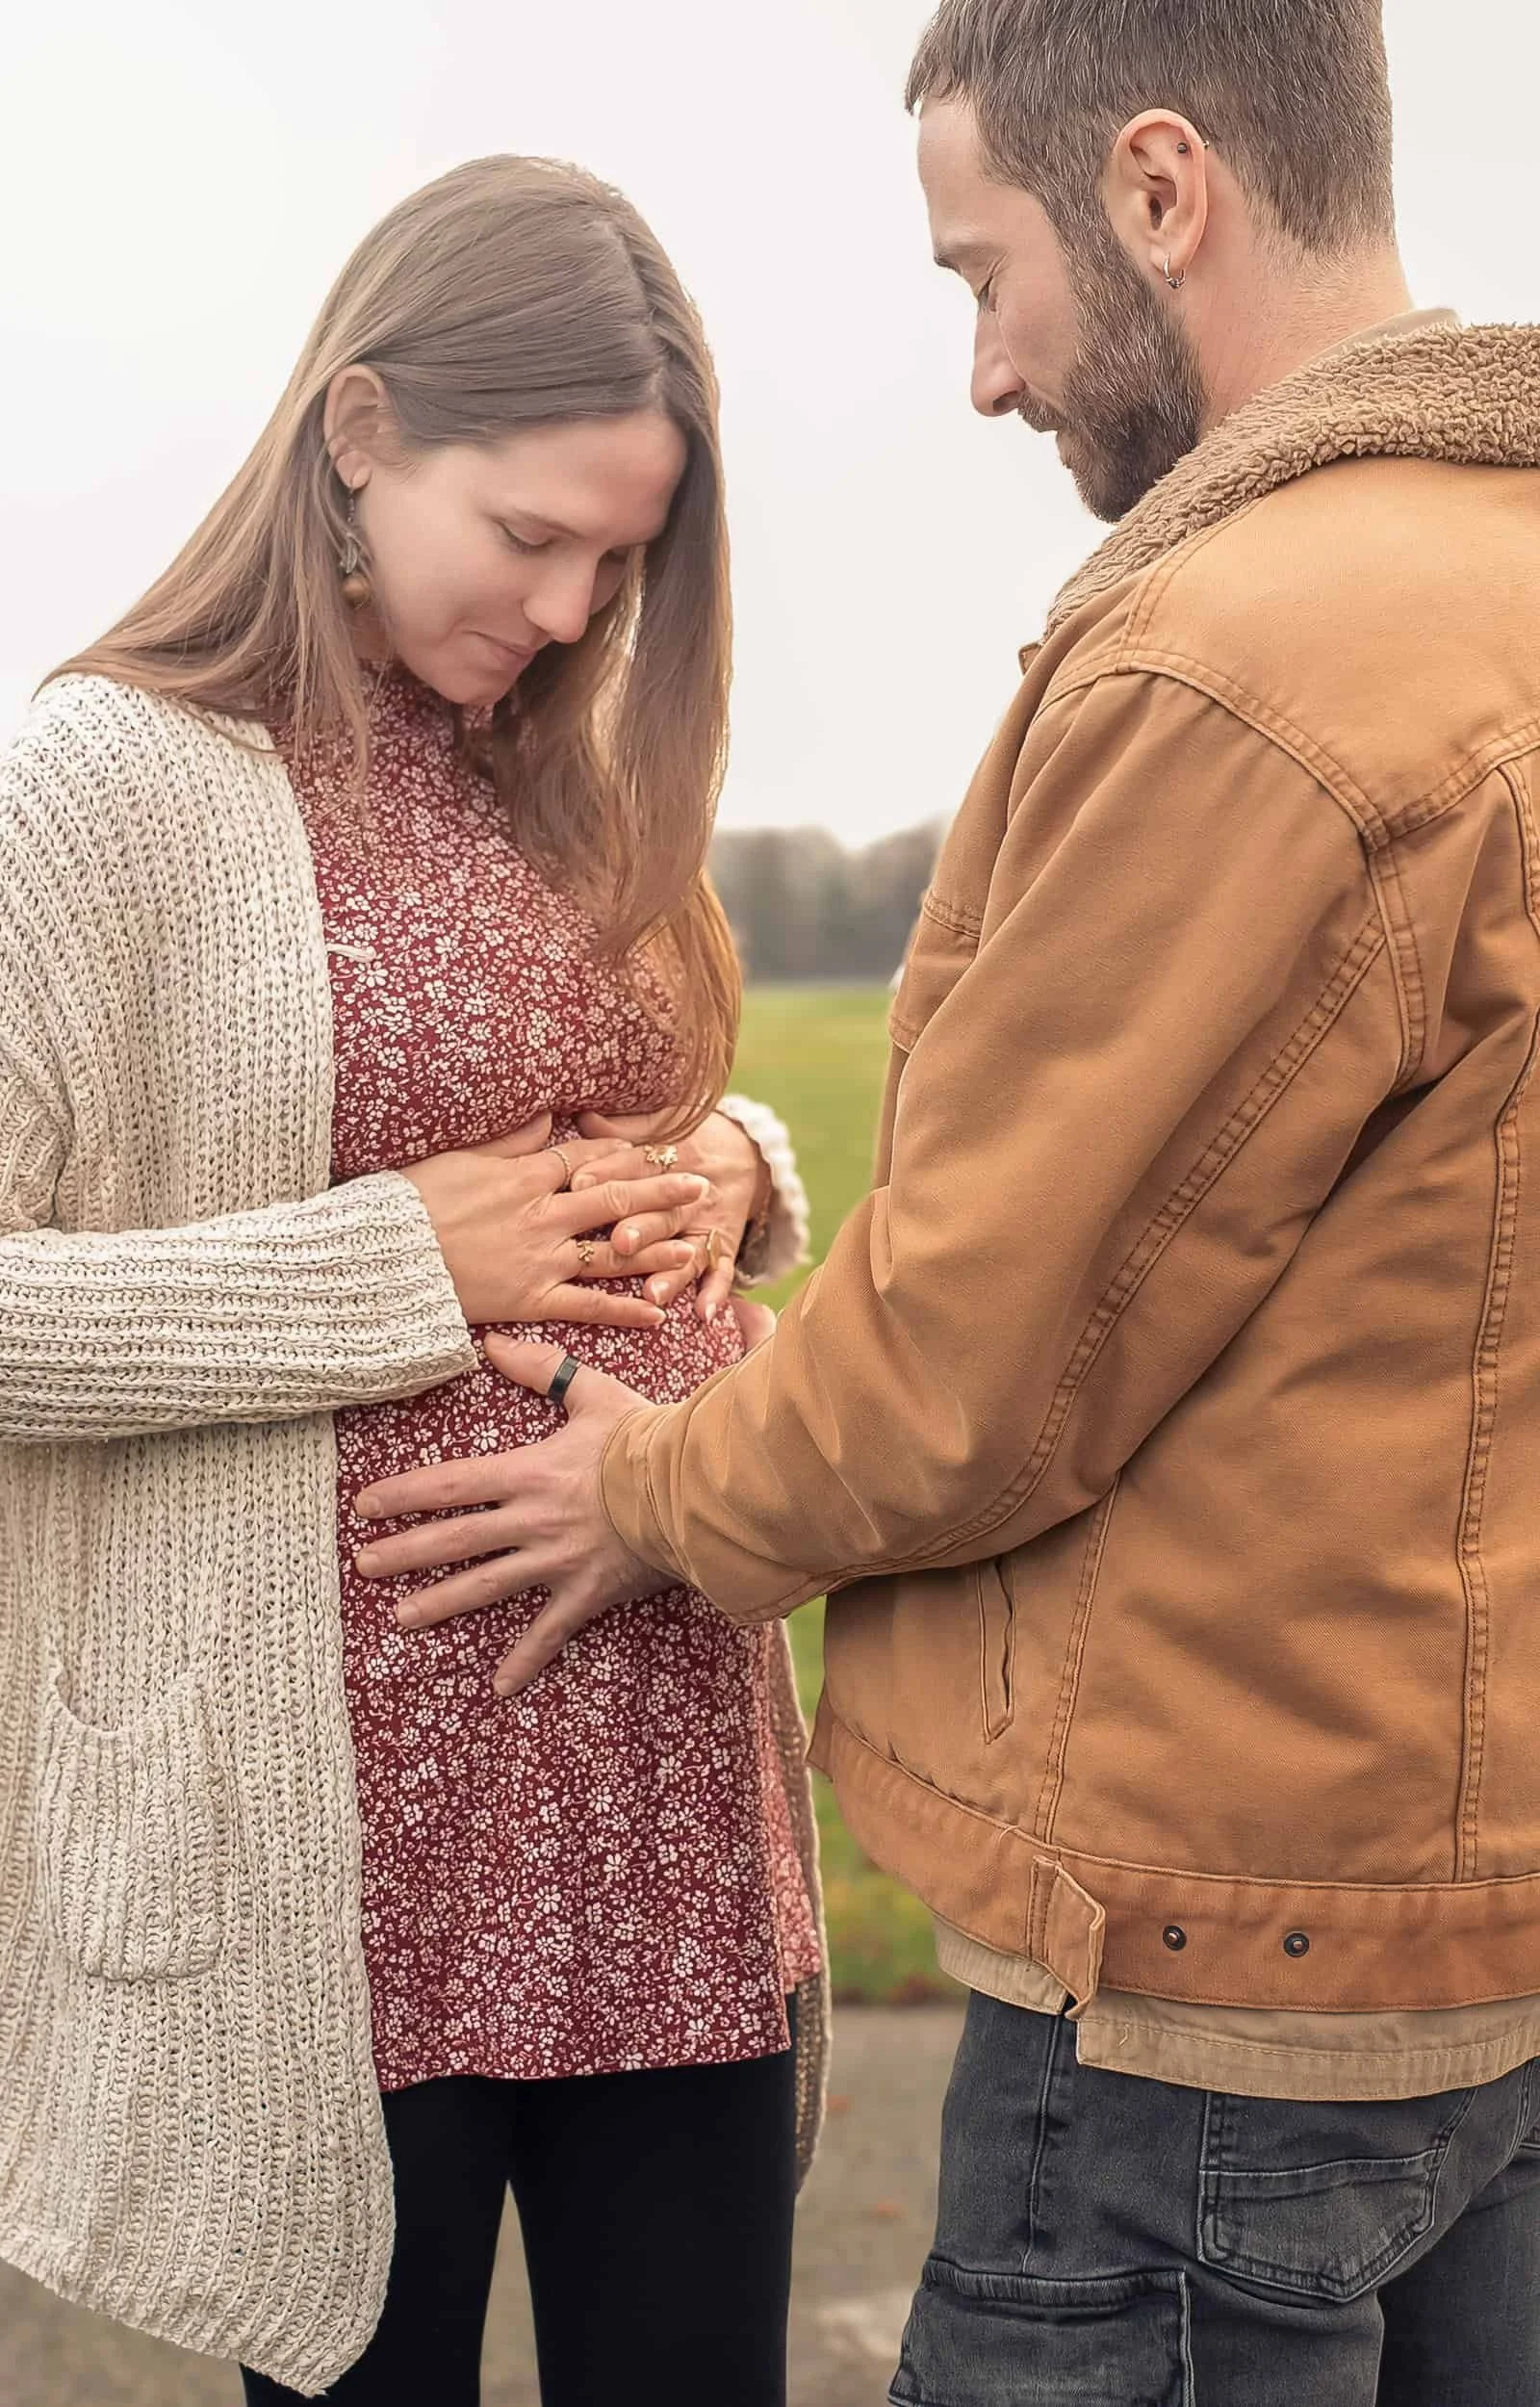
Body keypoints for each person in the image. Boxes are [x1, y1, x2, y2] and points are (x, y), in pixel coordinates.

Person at [359, 7, 1540, 2401]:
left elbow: (977, 1354)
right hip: (1465, 1927)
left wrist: (647, 1483)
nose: (986, 371)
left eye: (976, 270)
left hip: (1199, 1977)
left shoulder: (1238, 663)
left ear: (1157, 187)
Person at [0, 156, 829, 2407]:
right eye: (530, 536)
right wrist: (392, 1262)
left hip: (662, 1803)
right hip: (352, 1869)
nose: (571, 610)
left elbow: (634, 1117)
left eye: (620, 561)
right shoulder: (112, 787)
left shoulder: (554, 767)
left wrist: (719, 1179)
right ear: (357, 433)